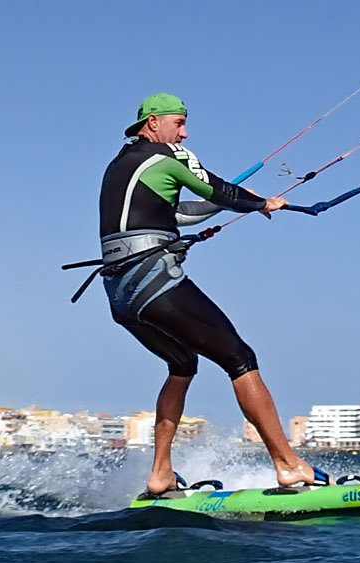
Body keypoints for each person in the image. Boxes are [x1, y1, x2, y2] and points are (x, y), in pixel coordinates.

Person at [98, 93, 330, 495]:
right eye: (178, 123)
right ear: (153, 123)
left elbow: (185, 211)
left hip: (120, 293)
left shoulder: (123, 165)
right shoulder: (164, 156)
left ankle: (160, 476)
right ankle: (288, 465)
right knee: (240, 358)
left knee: (183, 363)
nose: (184, 133)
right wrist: (259, 203)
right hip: (155, 282)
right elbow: (215, 189)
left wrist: (231, 202)